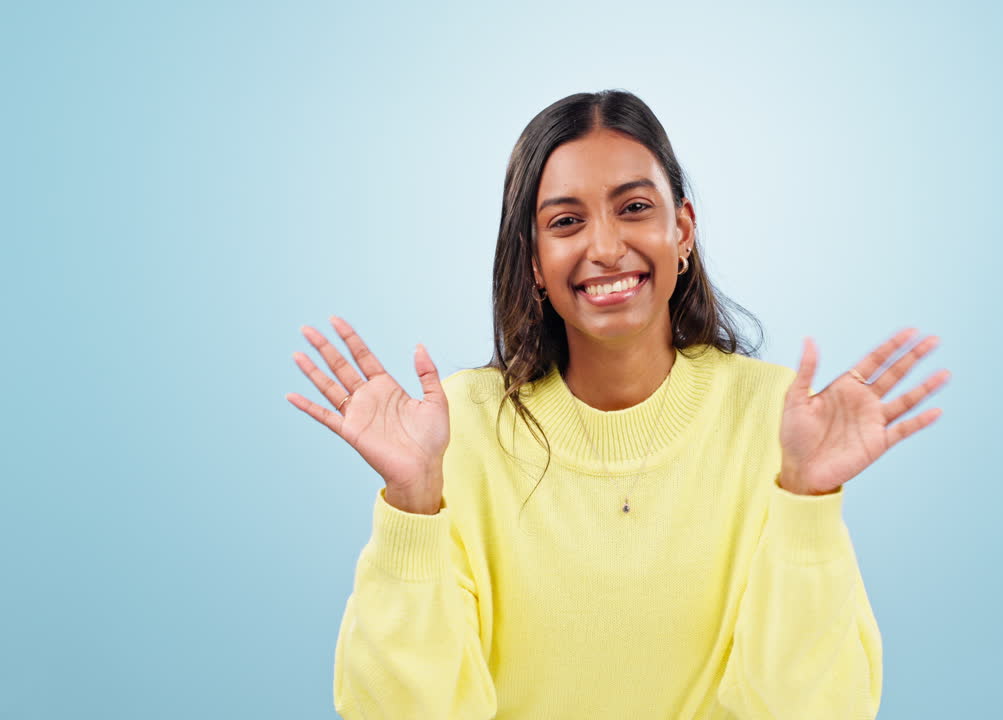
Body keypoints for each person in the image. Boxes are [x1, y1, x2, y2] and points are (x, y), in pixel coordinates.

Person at [286, 89, 949, 719]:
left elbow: (815, 709)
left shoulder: (779, 420)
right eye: (566, 222)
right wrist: (413, 503)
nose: (605, 248)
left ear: (682, 231)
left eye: (634, 208)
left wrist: (806, 501)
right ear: (534, 262)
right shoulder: (456, 428)